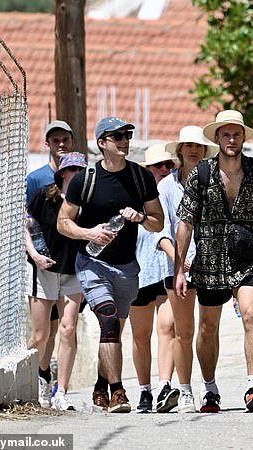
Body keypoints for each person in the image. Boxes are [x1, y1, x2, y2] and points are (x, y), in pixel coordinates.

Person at [174, 110, 253, 413]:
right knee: (208, 327)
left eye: (237, 134)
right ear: (217, 138)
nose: (232, 139)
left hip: (247, 258)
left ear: (243, 137)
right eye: (226, 134)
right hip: (208, 260)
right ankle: (210, 388)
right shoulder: (202, 173)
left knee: (251, 313)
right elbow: (185, 222)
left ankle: (251, 386)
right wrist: (179, 269)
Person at [57, 116, 164, 414]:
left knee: (114, 328)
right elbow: (63, 222)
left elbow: (158, 222)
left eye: (127, 135)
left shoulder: (141, 177)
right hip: (92, 262)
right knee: (107, 319)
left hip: (127, 267)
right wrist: (89, 233)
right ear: (102, 143)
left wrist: (140, 217)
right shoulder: (85, 180)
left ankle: (101, 384)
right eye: (117, 136)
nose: (124, 141)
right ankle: (119, 392)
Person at [157, 125, 218, 413]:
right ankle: (185, 391)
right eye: (188, 145)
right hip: (178, 268)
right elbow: (161, 231)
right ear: (180, 150)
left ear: (205, 151)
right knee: (183, 331)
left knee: (208, 328)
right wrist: (180, 261)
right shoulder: (166, 187)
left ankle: (210, 388)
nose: (194, 150)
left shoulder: (214, 181)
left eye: (199, 146)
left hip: (209, 266)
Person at [26, 152, 87, 411]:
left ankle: (61, 391)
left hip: (74, 272)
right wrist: (35, 255)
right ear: (62, 173)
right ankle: (37, 376)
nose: (76, 175)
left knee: (68, 329)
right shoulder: (45, 196)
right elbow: (26, 225)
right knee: (41, 335)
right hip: (45, 270)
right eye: (72, 170)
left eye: (80, 170)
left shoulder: (89, 202)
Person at [131, 144, 179, 413]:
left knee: (167, 328)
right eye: (158, 165)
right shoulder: (135, 194)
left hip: (168, 271)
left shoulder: (176, 191)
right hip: (140, 271)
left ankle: (164, 385)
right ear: (147, 169)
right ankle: (144, 391)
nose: (163, 170)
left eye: (168, 165)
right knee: (140, 335)